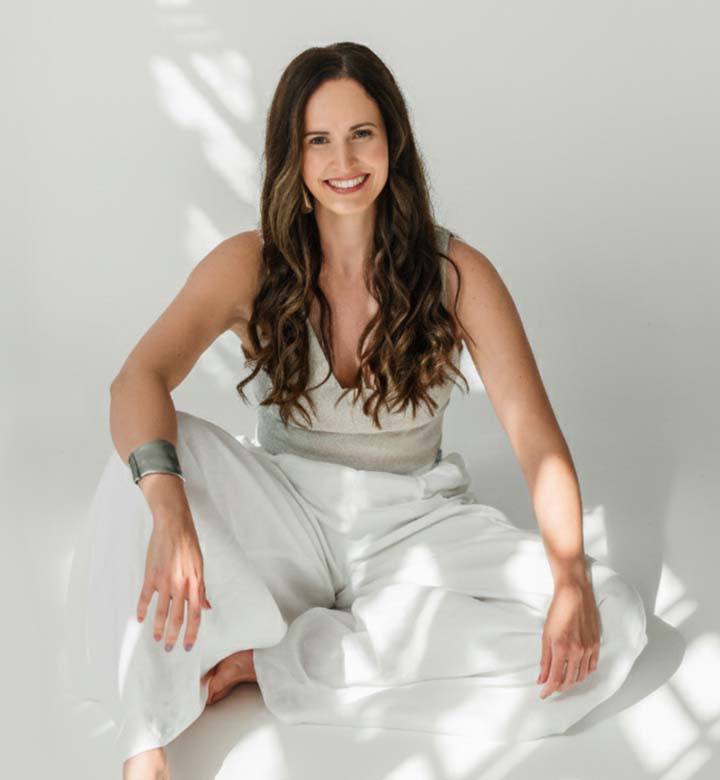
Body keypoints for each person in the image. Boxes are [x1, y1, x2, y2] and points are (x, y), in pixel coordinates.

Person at [62, 42, 648, 780]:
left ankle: (280, 664)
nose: (343, 158)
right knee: (139, 468)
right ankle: (143, 743)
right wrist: (172, 513)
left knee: (613, 617)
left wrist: (568, 580)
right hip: (288, 510)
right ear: (294, 156)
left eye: (361, 133)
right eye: (319, 139)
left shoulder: (455, 274)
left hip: (415, 522)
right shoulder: (251, 263)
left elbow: (537, 441)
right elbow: (137, 379)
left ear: (393, 141)